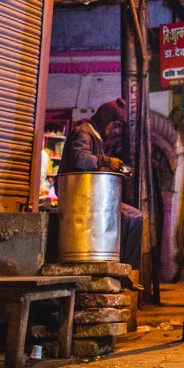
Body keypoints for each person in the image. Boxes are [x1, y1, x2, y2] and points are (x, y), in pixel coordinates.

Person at [58, 98, 144, 267]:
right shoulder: (83, 133)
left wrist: (113, 169)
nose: (112, 131)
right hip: (80, 199)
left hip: (92, 198)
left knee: (135, 216)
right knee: (129, 218)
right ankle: (121, 263)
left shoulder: (96, 138)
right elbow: (80, 159)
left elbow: (94, 168)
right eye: (113, 125)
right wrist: (107, 161)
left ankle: (128, 267)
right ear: (106, 121)